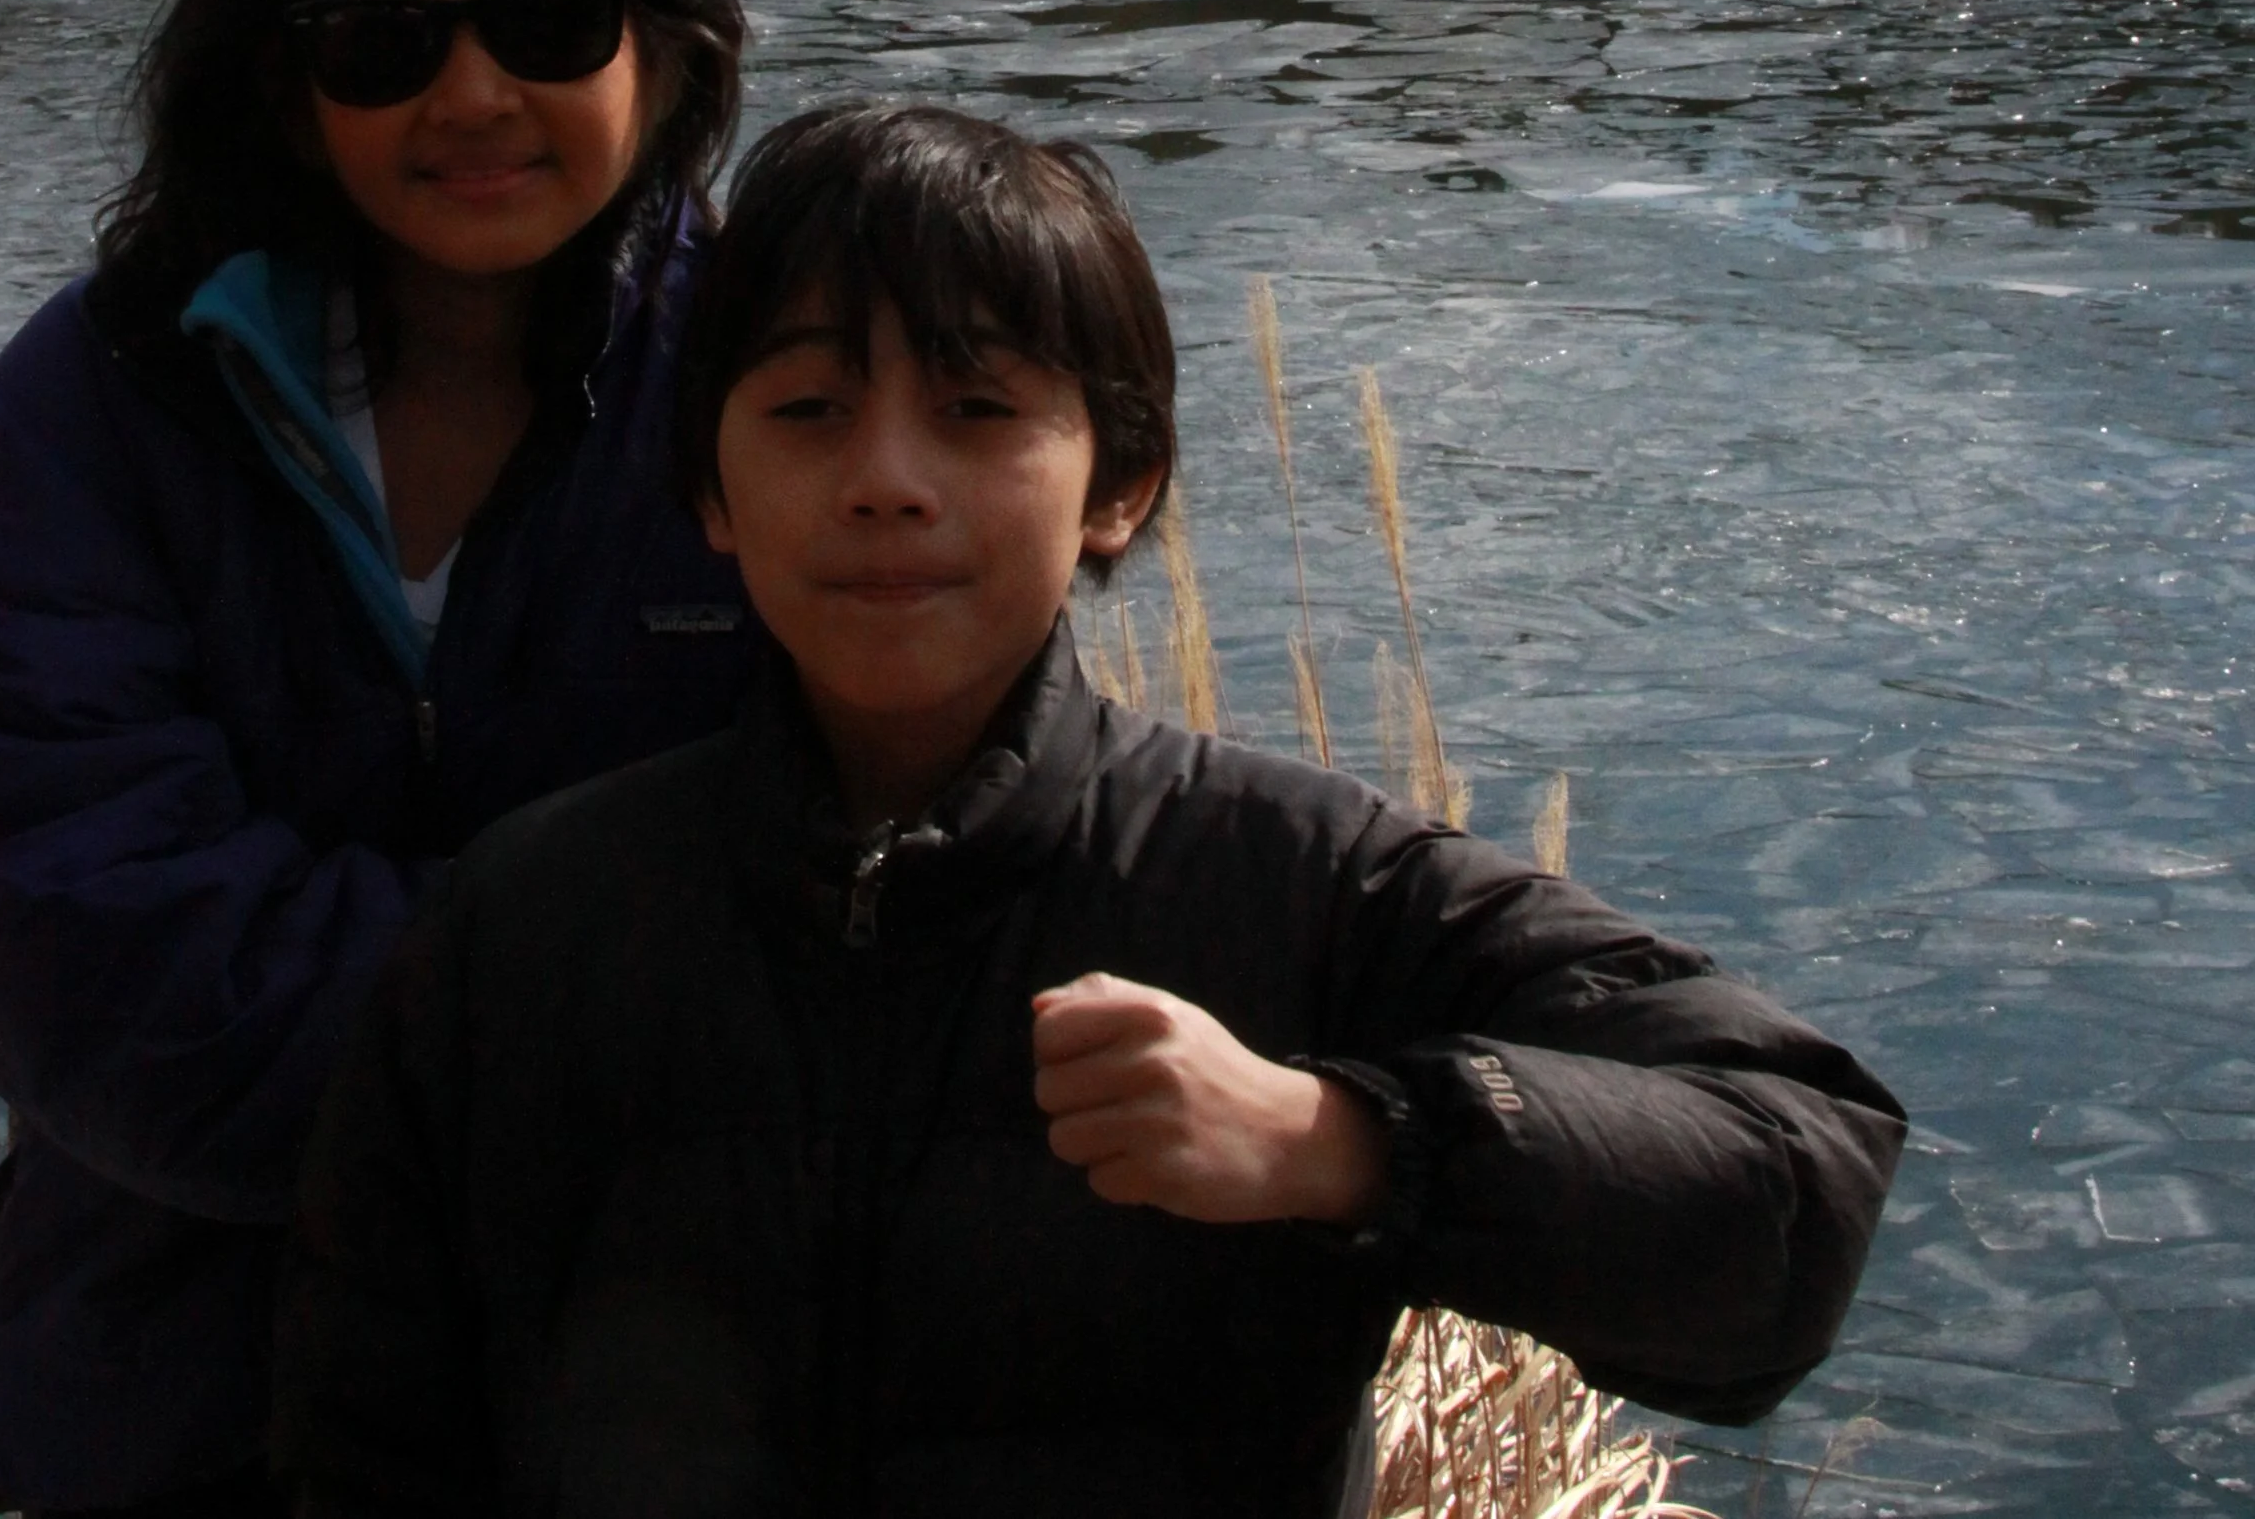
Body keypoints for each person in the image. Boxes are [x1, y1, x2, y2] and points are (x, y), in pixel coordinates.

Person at [276, 99, 1907, 1519]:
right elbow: (367, 1441)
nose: (886, 477)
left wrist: (1340, 1141)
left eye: (978, 410)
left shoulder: (1292, 882)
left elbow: (1799, 1181)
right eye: (807, 409)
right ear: (708, 485)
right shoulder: (535, 920)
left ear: (1119, 482)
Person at [0, 0, 758, 1519]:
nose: (474, 96)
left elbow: (918, 865)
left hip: (668, 1424)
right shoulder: (109, 395)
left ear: (664, 48)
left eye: (549, 20)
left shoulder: (788, 384)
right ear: (289, 89)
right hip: (196, 1411)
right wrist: (630, 1007)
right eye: (383, 42)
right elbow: (57, 932)